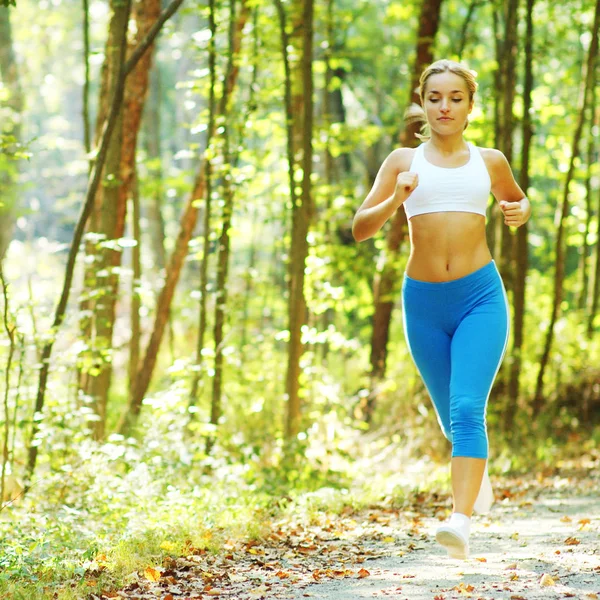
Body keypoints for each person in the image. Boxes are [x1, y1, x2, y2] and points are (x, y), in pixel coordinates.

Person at [352, 59, 531, 559]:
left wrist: (521, 210)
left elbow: (516, 203)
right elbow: (360, 227)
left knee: (467, 408)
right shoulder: (401, 162)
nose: (444, 106)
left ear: (471, 106)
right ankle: (478, 477)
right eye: (435, 98)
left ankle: (460, 521)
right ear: (423, 104)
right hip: (424, 303)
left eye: (455, 98)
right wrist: (397, 199)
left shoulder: (490, 160)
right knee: (452, 420)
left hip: (480, 297)